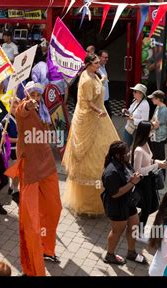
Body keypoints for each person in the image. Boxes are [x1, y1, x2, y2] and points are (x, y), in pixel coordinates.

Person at [4, 94, 62, 276]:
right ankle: (32, 268)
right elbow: (22, 111)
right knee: (31, 224)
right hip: (30, 170)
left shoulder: (43, 110)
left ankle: (47, 249)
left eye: (38, 94)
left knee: (55, 209)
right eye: (32, 94)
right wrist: (26, 105)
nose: (35, 97)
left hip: (47, 164)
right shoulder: (24, 111)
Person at [62, 54, 119, 216]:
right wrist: (99, 110)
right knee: (91, 158)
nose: (98, 64)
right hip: (90, 119)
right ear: (87, 64)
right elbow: (87, 101)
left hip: (99, 118)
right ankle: (88, 204)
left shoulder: (94, 75)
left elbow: (95, 90)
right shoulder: (86, 79)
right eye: (95, 63)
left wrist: (101, 81)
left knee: (106, 149)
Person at [101, 141, 148, 265]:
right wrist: (132, 183)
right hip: (117, 205)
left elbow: (128, 176)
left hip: (128, 201)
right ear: (117, 155)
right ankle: (109, 255)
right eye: (126, 152)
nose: (129, 153)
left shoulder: (124, 162)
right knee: (117, 231)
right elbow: (115, 193)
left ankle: (131, 252)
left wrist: (134, 176)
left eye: (129, 151)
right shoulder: (111, 172)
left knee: (134, 225)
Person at [131, 121, 167, 237]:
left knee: (152, 206)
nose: (152, 132)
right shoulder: (138, 150)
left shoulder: (147, 143)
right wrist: (156, 165)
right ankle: (138, 232)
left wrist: (157, 162)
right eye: (151, 130)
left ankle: (135, 223)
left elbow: (149, 161)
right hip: (142, 182)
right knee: (147, 207)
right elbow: (137, 170)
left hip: (149, 179)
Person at [2, 98, 19, 203]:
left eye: (17, 106)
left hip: (20, 148)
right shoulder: (6, 121)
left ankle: (13, 187)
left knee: (17, 171)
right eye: (13, 106)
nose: (15, 109)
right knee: (13, 171)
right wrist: (18, 139)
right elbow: (4, 139)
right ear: (9, 106)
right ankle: (14, 189)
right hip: (10, 149)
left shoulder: (21, 117)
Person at [148, 90, 167, 164]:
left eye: (153, 98)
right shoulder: (158, 107)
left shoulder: (163, 110)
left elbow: (156, 125)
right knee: (155, 155)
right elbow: (153, 118)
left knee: (159, 157)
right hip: (154, 135)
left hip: (159, 137)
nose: (152, 100)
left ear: (158, 99)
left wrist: (148, 127)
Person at [97, 50, 112, 118]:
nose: (107, 59)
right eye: (105, 57)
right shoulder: (96, 69)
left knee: (108, 116)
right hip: (100, 99)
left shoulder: (103, 66)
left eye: (107, 57)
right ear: (99, 57)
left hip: (106, 97)